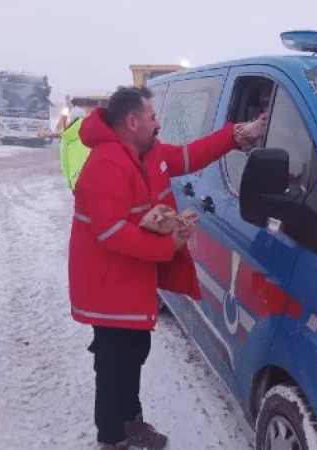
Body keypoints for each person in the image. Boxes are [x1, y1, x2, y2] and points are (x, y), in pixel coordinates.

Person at [69, 85, 266, 450]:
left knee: (133, 354)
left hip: (129, 281)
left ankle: (131, 424)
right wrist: (168, 244)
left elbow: (190, 156)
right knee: (115, 366)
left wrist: (239, 134)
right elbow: (111, 231)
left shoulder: (145, 153)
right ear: (132, 121)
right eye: (152, 116)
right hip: (108, 288)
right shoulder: (106, 164)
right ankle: (113, 439)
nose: (158, 123)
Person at [59, 105, 89, 192]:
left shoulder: (67, 137)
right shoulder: (93, 132)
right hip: (95, 180)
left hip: (77, 180)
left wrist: (70, 183)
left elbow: (65, 162)